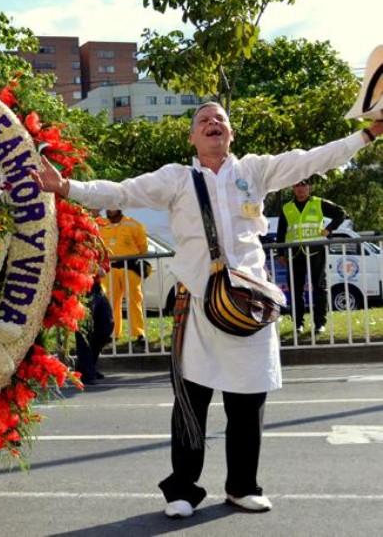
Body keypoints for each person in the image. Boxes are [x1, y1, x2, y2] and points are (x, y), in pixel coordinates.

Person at [31, 102, 383, 519]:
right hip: (198, 307)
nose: (213, 124)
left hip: (250, 309)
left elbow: (314, 157)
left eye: (220, 120)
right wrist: (66, 187)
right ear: (193, 138)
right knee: (191, 402)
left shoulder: (255, 171)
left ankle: (242, 486)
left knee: (248, 402)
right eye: (204, 121)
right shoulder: (176, 179)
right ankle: (182, 489)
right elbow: (122, 191)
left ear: (231, 134)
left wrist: (368, 134)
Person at [276, 180, 348, 334]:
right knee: (296, 290)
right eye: (297, 185)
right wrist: (280, 254)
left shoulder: (318, 203)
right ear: (293, 188)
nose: (300, 188)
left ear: (309, 187)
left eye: (303, 185)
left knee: (320, 288)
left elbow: (341, 213)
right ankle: (298, 324)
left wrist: (329, 229)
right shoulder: (287, 208)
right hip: (295, 253)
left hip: (316, 252)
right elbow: (281, 232)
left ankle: (319, 323)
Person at [98, 209, 148, 346]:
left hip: (129, 267)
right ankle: (113, 333)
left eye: (112, 206)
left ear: (120, 208)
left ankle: (139, 333)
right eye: (107, 207)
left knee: (134, 299)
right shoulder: (101, 225)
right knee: (111, 301)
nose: (109, 209)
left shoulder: (134, 225)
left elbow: (143, 248)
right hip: (110, 269)